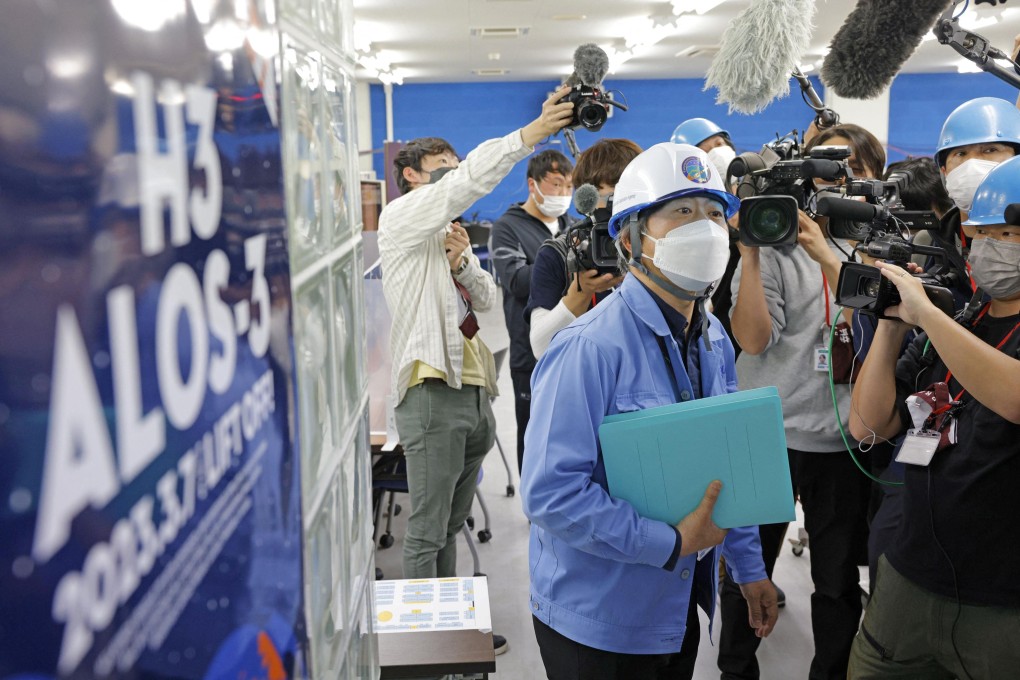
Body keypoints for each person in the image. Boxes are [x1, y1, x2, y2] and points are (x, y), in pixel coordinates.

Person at [522, 142, 777, 680]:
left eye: (712, 213)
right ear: (630, 236)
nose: (704, 229)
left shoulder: (713, 341)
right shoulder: (588, 348)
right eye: (681, 212)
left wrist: (749, 569)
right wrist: (672, 543)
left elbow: (729, 465)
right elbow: (551, 493)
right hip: (596, 618)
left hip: (676, 604)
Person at [377, 87, 573, 654]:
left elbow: (486, 300)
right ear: (411, 177)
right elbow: (470, 185)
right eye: (441, 172)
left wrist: (462, 259)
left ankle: (449, 640)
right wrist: (527, 137)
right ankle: (423, 650)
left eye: (455, 169)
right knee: (425, 530)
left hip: (470, 391)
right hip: (431, 392)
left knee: (449, 526)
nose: (453, 179)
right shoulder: (400, 221)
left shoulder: (444, 235)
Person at [847, 155, 1020, 680]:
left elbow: (1012, 397)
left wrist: (927, 316)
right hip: (910, 574)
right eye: (983, 232)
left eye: (1010, 232)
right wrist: (893, 325)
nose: (993, 245)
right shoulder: (963, 318)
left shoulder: (947, 325)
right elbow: (868, 426)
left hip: (1002, 602)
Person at [724, 123, 886, 680]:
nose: (844, 183)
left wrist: (828, 252)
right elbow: (752, 340)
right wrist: (749, 255)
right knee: (748, 566)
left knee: (837, 579)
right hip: (765, 435)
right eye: (834, 170)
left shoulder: (877, 246)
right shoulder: (774, 242)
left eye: (856, 171)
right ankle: (736, 670)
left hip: (840, 436)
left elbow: (883, 317)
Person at [490, 149, 574, 473]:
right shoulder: (508, 228)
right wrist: (564, 258)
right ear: (532, 184)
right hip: (530, 354)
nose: (563, 194)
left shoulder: (572, 224)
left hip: (574, 346)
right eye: (556, 185)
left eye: (568, 186)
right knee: (533, 436)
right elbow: (517, 280)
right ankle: (533, 514)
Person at [525, 138, 636, 358]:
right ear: (587, 197)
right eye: (605, 190)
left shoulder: (656, 246)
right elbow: (540, 346)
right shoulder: (559, 253)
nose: (615, 202)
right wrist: (581, 292)